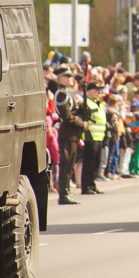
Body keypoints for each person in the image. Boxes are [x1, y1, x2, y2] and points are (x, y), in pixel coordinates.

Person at [54, 68, 85, 205]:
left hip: (72, 134)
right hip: (67, 133)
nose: (71, 79)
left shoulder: (67, 93)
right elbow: (66, 116)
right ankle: (63, 194)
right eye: (67, 76)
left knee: (70, 163)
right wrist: (81, 123)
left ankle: (66, 192)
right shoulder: (61, 94)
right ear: (61, 78)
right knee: (66, 163)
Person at [81, 82, 106, 195]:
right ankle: (86, 186)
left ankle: (92, 184)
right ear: (89, 91)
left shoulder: (97, 103)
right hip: (90, 136)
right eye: (97, 89)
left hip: (99, 137)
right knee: (89, 163)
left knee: (96, 163)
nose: (99, 92)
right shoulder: (87, 103)